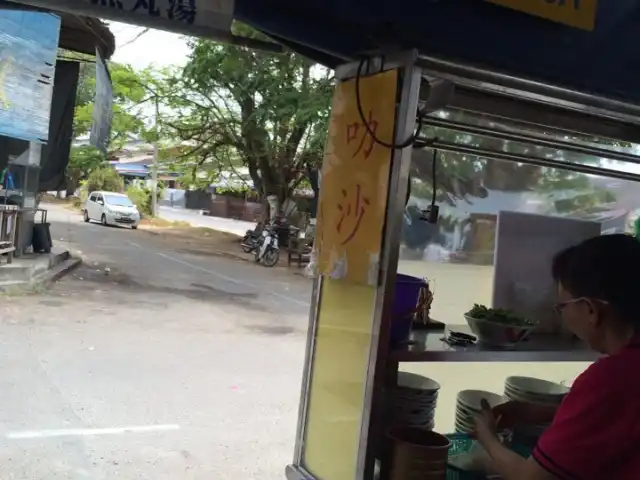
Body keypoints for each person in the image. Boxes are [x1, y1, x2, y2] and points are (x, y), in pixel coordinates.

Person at [474, 233, 640, 479]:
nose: (561, 314)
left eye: (562, 306)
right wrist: (544, 412)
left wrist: (487, 438)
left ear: (591, 310)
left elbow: (532, 477)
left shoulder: (610, 379)